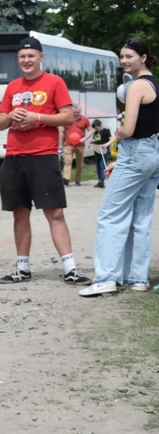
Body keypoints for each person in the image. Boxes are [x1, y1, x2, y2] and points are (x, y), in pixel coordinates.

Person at [0, 36, 91, 286]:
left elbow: (68, 117)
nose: (26, 60)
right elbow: (1, 122)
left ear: (40, 57)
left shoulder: (54, 82)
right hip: (15, 156)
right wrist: (12, 115)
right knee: (19, 212)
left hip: (43, 155)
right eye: (22, 57)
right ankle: (22, 267)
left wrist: (37, 116)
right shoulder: (13, 86)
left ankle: (70, 267)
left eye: (31, 56)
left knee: (55, 212)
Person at [80, 37, 159, 297]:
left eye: (129, 56)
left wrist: (120, 135)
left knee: (110, 216)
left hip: (136, 152)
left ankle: (106, 277)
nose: (124, 60)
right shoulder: (156, 84)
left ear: (143, 57)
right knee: (141, 217)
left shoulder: (136, 86)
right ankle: (136, 277)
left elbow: (128, 128)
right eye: (122, 56)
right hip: (153, 152)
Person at [61, 104, 93, 187]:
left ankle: (77, 180)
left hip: (80, 145)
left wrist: (84, 139)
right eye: (74, 112)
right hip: (68, 144)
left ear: (80, 111)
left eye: (77, 112)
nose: (75, 114)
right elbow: (62, 132)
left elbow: (90, 130)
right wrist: (60, 144)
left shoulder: (85, 119)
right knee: (67, 161)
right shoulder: (67, 119)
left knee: (79, 163)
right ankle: (66, 179)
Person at [91, 119, 114, 188]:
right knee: (98, 166)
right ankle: (99, 181)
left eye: (97, 127)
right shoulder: (95, 132)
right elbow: (97, 139)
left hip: (104, 151)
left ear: (100, 125)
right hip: (97, 150)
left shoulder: (106, 131)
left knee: (102, 165)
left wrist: (106, 144)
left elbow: (111, 139)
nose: (96, 129)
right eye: (95, 128)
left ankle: (102, 181)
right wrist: (93, 141)